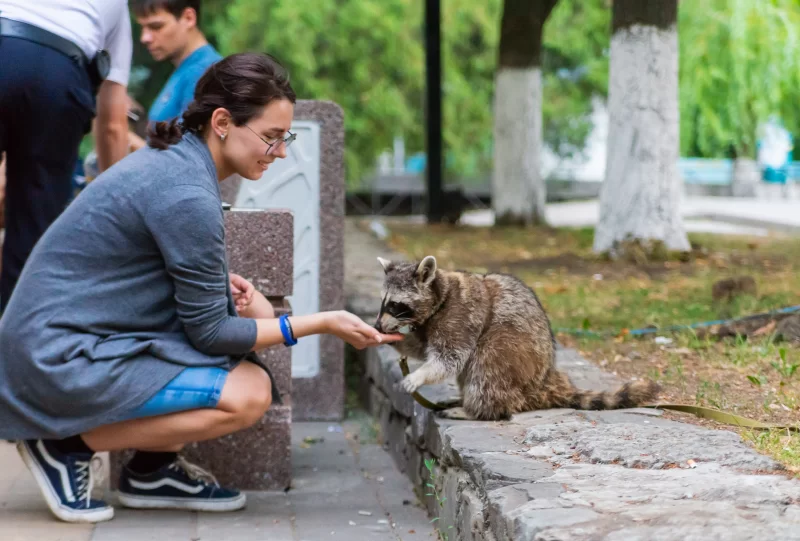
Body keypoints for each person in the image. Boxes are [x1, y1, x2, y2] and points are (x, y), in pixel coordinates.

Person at [0, 52, 403, 524]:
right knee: (249, 392)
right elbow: (211, 335)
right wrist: (324, 323)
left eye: (284, 138)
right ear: (223, 122)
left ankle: (151, 470)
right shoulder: (186, 191)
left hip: (66, 344)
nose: (280, 153)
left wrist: (243, 302)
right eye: (271, 138)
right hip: (53, 359)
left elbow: (194, 310)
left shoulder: (177, 163)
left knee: (237, 361)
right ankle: (63, 445)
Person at [0, 0, 133, 310]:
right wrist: (124, 212)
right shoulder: (116, 6)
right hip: (60, 78)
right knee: (33, 234)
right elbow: (113, 125)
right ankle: (11, 346)